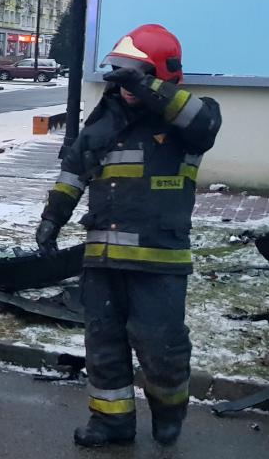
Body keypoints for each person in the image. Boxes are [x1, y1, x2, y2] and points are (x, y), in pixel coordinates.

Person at [36, 24, 221, 447]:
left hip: (158, 261)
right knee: (102, 345)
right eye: (121, 77)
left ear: (160, 74)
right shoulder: (105, 119)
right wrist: (52, 219)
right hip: (102, 259)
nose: (126, 87)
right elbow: (74, 171)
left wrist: (148, 88)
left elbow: (204, 125)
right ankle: (111, 421)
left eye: (134, 75)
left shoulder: (190, 116)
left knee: (161, 346)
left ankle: (169, 410)